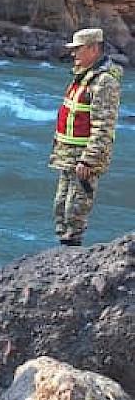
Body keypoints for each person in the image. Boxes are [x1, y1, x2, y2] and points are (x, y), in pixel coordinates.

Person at [50, 26, 123, 245]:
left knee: (75, 209)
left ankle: (71, 253)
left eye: (78, 49)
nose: (74, 54)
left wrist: (88, 159)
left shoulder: (104, 82)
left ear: (93, 49)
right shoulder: (83, 76)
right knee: (61, 206)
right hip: (67, 155)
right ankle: (62, 250)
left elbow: (104, 125)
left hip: (83, 159)